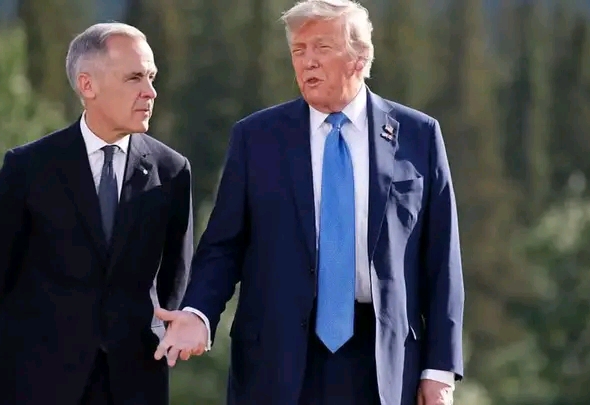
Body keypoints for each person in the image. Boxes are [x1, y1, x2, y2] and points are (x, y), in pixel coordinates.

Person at [154, 1, 464, 404]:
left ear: (360, 57)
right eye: (299, 51)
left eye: (322, 48)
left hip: (383, 365)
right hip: (277, 361)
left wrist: (439, 369)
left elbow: (441, 260)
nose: (307, 61)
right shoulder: (257, 138)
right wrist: (198, 314)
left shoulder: (418, 135)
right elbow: (223, 246)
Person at [0, 22, 193, 405]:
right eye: (135, 77)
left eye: (152, 77)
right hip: (31, 384)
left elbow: (175, 280)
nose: (150, 92)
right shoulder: (26, 169)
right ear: (87, 85)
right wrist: (34, 347)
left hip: (133, 386)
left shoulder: (172, 172)